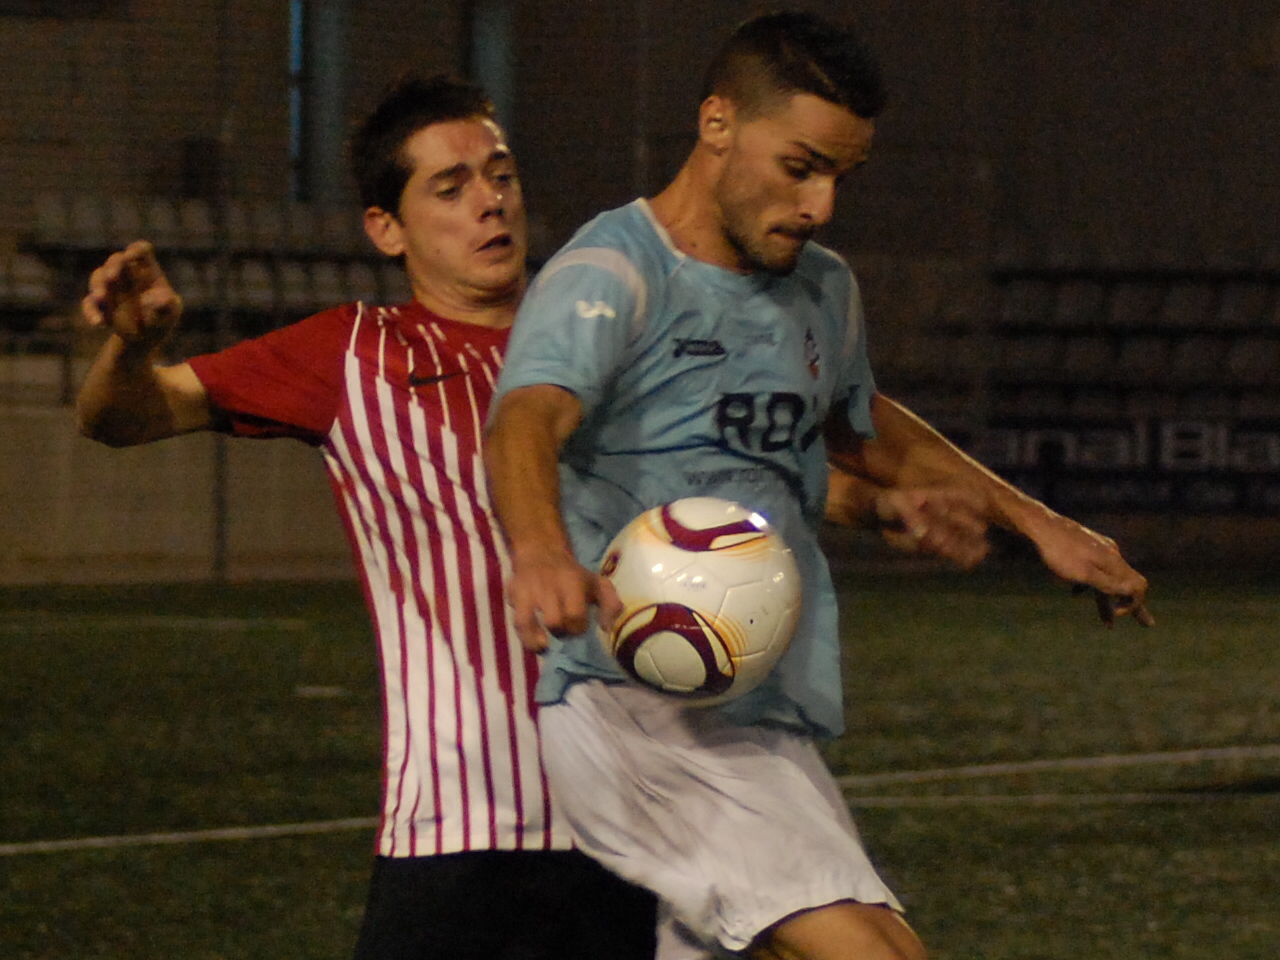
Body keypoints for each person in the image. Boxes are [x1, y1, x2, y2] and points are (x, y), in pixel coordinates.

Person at [483, 12, 1152, 960]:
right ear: (718, 124)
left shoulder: (823, 290)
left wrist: (1032, 525)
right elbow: (525, 418)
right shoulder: (612, 273)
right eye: (800, 166)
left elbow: (857, 435)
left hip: (760, 709)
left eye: (841, 175)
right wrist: (541, 549)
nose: (821, 203)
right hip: (638, 698)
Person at [76, 73, 657, 960]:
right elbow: (125, 418)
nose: (489, 203)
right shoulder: (348, 352)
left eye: (500, 175)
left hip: (637, 822)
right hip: (457, 832)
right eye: (450, 188)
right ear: (386, 228)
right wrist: (131, 345)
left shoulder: (607, 343)